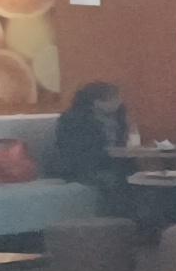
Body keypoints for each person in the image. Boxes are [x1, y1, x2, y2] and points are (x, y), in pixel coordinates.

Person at [50, 81, 133, 212]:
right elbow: (75, 151)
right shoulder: (73, 120)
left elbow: (121, 142)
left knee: (137, 177)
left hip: (110, 163)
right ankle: (119, 216)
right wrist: (108, 153)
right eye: (112, 99)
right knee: (117, 181)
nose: (118, 102)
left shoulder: (118, 116)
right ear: (95, 101)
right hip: (80, 167)